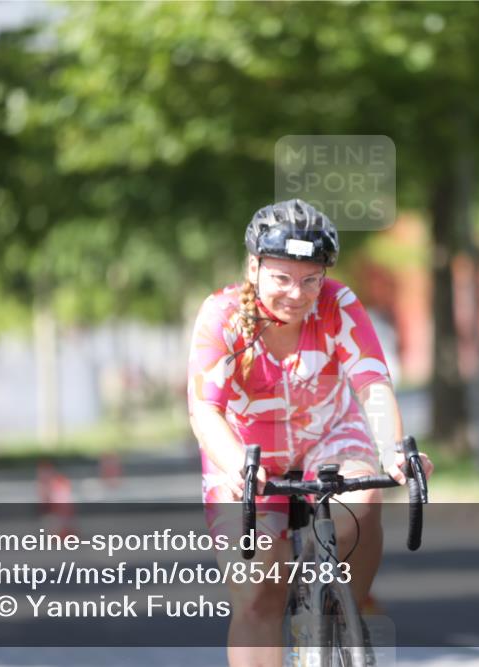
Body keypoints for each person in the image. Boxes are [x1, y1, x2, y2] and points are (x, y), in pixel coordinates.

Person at [187, 199, 433, 667]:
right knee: (259, 593)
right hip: (247, 452)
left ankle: (343, 613)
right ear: (254, 268)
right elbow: (205, 412)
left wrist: (394, 451)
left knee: (361, 503)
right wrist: (238, 465)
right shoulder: (221, 316)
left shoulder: (340, 306)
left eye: (310, 279)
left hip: (328, 435)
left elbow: (373, 385)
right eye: (281, 278)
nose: (297, 294)